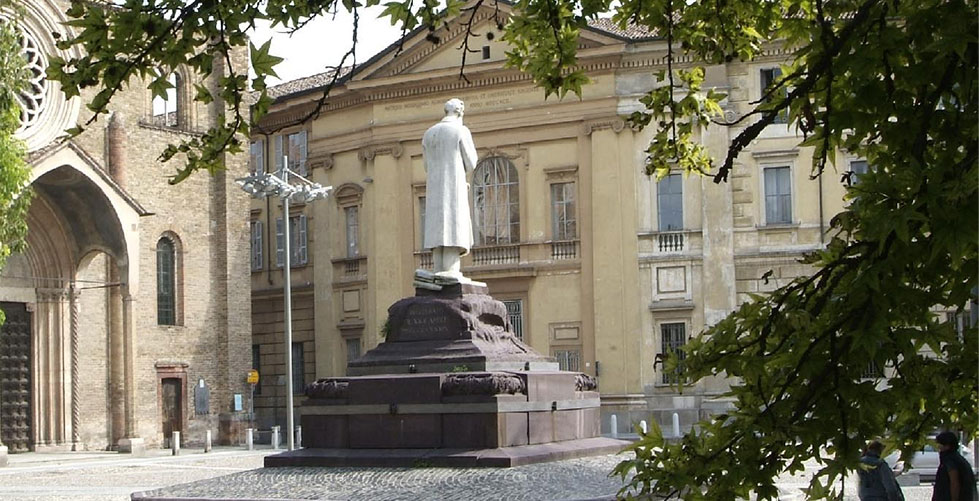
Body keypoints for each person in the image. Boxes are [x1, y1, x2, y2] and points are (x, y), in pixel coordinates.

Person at [421, 98, 479, 279]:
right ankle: (451, 273)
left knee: (438, 232)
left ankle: (438, 271)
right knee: (453, 228)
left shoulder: (428, 134)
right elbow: (471, 163)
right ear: (460, 112)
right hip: (454, 188)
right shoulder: (460, 130)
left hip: (435, 190)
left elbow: (426, 165)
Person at [933, 431, 977, 501]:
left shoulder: (950, 460)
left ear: (947, 446)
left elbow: (954, 483)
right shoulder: (957, 458)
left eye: (940, 444)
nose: (938, 446)